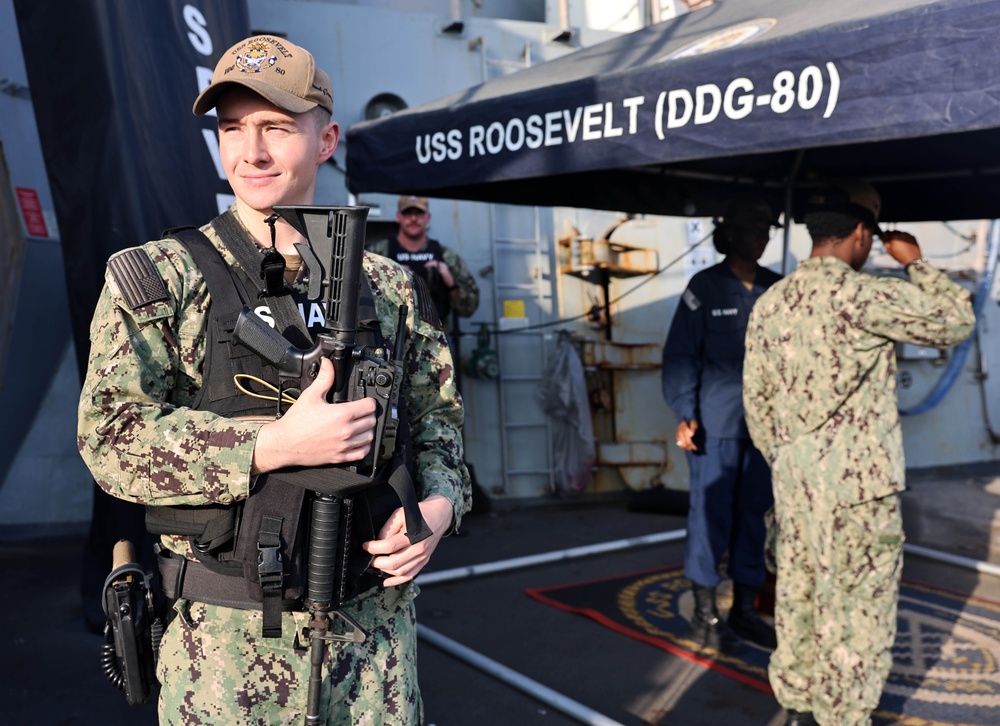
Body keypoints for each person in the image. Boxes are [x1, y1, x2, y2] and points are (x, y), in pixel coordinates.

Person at [77, 35, 471, 725]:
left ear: (327, 141)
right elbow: (108, 437)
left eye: (277, 128)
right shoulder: (164, 277)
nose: (250, 152)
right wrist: (271, 446)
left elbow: (438, 425)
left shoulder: (390, 288)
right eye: (232, 128)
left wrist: (436, 509)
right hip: (227, 660)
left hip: (375, 653)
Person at [742, 179, 975, 726]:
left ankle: (797, 707)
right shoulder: (866, 295)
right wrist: (915, 262)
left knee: (799, 597)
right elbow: (956, 320)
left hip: (794, 485)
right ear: (862, 233)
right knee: (857, 612)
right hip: (859, 493)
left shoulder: (771, 302)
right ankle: (844, 716)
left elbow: (757, 406)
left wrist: (791, 464)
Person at [661, 197, 782, 651]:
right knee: (709, 518)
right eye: (753, 230)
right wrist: (684, 412)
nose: (762, 238)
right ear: (730, 236)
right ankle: (705, 613)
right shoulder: (704, 288)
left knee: (756, 519)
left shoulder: (778, 289)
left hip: (765, 429)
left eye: (766, 230)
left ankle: (744, 610)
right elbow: (680, 355)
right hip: (714, 426)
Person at [367, 195, 479, 333]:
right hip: (390, 338)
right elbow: (359, 299)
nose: (413, 219)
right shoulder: (379, 254)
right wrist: (391, 277)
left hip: (435, 339)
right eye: (408, 213)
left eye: (419, 213)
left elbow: (469, 308)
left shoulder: (446, 256)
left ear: (428, 217)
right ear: (398, 217)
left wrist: (450, 283)